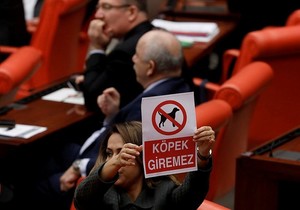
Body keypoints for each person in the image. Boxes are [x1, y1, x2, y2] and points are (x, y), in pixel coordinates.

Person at [1, 29, 191, 210]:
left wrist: (78, 167)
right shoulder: (176, 92)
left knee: (25, 183)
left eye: (137, 56)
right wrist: (114, 114)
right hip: (95, 150)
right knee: (45, 150)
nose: (132, 59)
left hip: (94, 172)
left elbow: (129, 164)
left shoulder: (151, 108)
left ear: (150, 67)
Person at [74, 121, 215, 210]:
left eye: (123, 153)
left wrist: (202, 156)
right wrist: (112, 165)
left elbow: (193, 194)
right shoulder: (101, 192)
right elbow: (81, 200)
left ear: (143, 156)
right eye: (109, 154)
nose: (115, 160)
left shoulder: (165, 191)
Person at [75, 0, 154, 113]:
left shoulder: (126, 52)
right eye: (98, 7)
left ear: (131, 12)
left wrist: (97, 48)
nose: (98, 15)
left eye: (106, 7)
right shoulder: (153, 34)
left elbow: (93, 101)